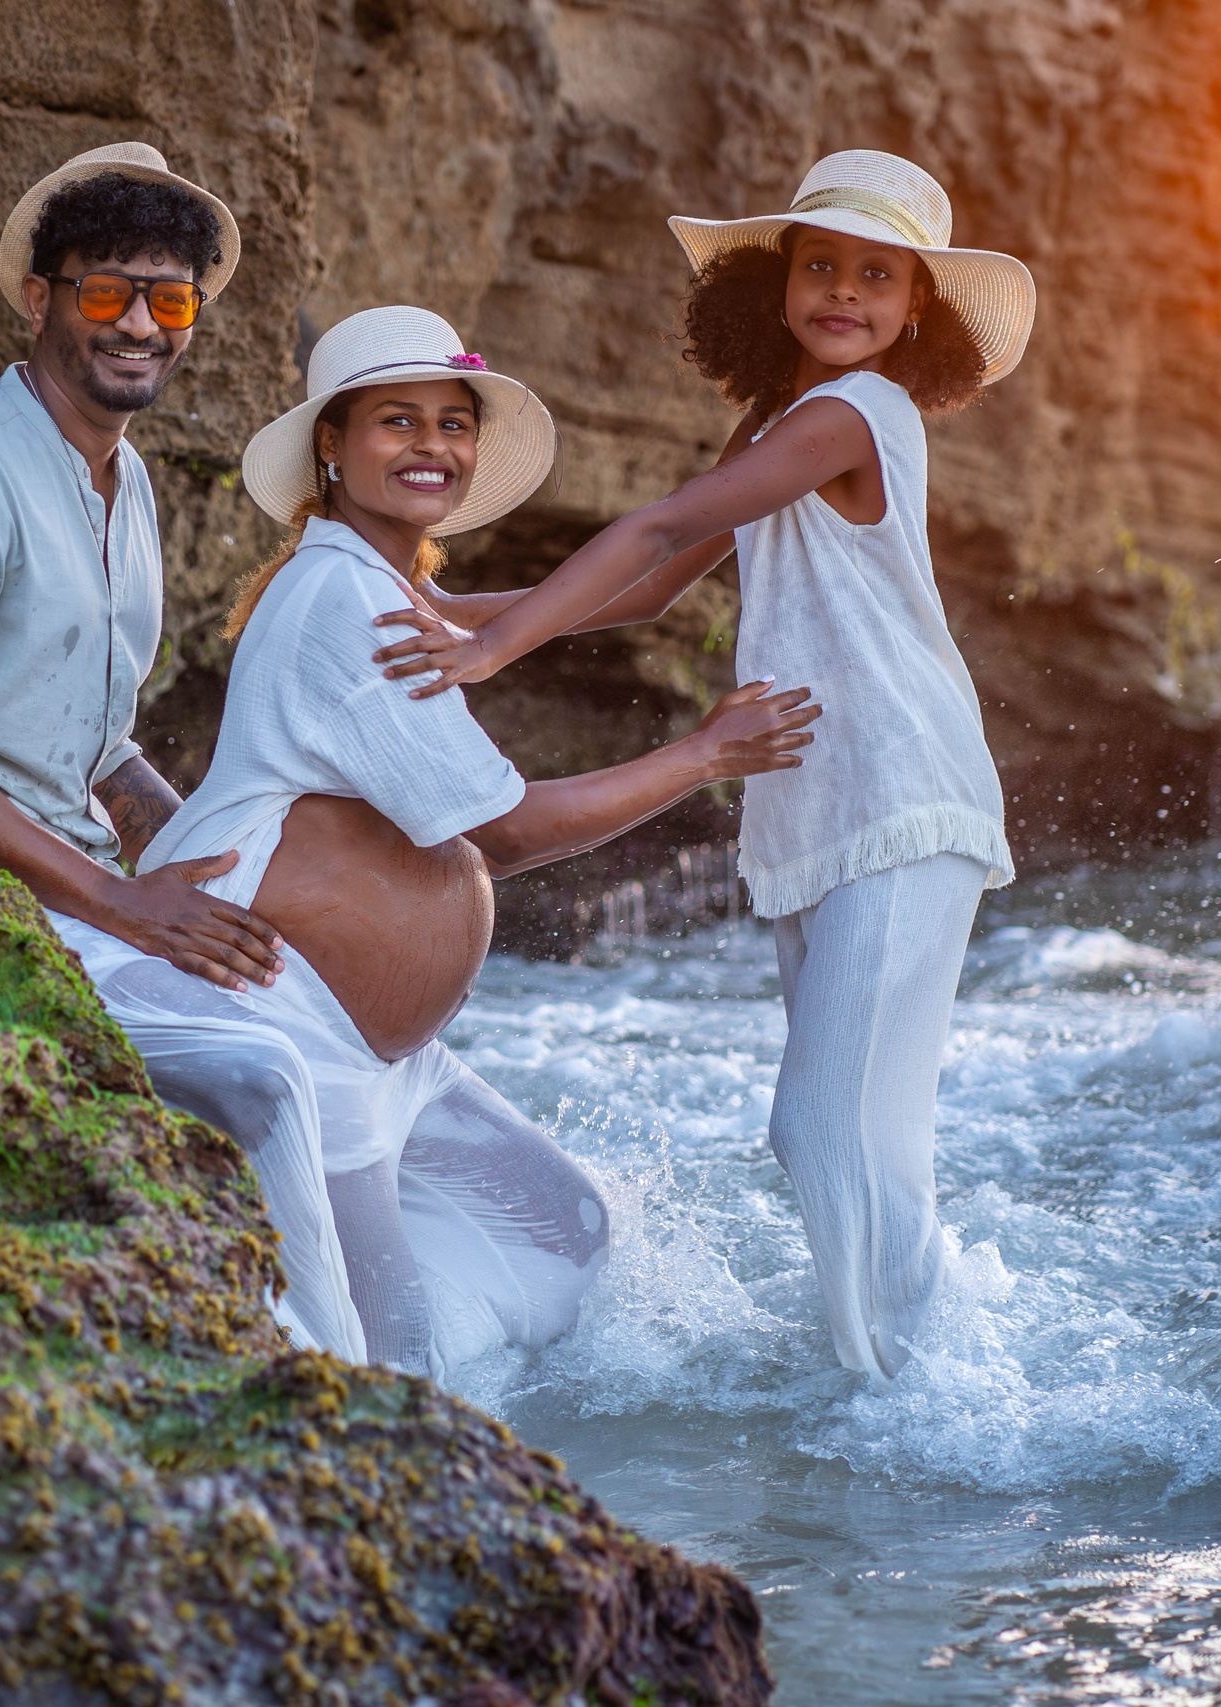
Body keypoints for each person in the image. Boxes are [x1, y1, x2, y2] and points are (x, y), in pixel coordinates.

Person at [369, 152, 1037, 1382]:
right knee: (866, 1134)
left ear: (915, 311)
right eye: (819, 265)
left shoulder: (857, 414)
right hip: (829, 801)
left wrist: (494, 645)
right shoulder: (779, 420)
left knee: (818, 1126)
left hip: (902, 793)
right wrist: (464, 619)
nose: (843, 292)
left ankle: (899, 1393)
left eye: (875, 276)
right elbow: (655, 584)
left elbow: (662, 525)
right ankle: (924, 1376)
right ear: (777, 283)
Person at [133, 305, 820, 1377]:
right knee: (393, 1364)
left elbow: (639, 591)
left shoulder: (399, 592)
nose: (432, 446)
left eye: (453, 424)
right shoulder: (343, 602)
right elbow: (502, 832)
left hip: (381, 1054)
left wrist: (768, 437)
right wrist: (702, 759)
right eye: (396, 422)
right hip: (281, 1020)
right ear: (332, 442)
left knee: (567, 1237)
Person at [0, 142, 360, 1358]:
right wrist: (127, 906)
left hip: (64, 900)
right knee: (264, 1076)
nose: (141, 325)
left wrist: (219, 846)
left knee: (332, 1023)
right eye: (107, 292)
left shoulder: (128, 480)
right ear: (40, 297)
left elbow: (97, 742)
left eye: (172, 299)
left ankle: (424, 1341)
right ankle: (337, 1385)